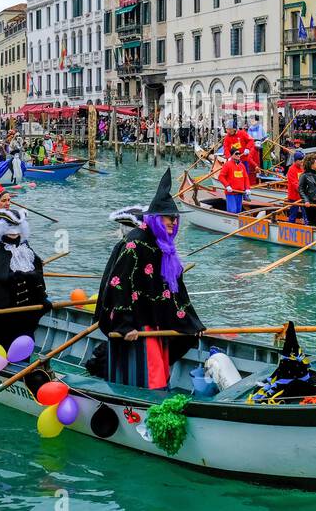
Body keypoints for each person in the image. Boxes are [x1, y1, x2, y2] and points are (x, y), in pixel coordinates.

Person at [95, 170, 205, 389]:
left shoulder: (165, 247)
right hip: (137, 323)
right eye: (168, 218)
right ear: (155, 218)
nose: (173, 222)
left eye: (175, 218)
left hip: (157, 320)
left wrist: (192, 322)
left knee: (162, 365)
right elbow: (119, 284)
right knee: (152, 373)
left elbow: (175, 289)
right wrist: (125, 325)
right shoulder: (134, 245)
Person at [0, 207, 51, 352]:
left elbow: (37, 270)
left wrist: (42, 297)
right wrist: (21, 275)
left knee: (24, 337)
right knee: (3, 340)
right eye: (9, 227)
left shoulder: (24, 245)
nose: (13, 232)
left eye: (17, 227)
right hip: (4, 307)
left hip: (27, 309)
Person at [217, 145, 250, 213]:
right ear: (232, 155)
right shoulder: (227, 165)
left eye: (239, 153)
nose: (238, 155)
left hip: (240, 193)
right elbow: (221, 177)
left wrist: (247, 188)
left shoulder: (242, 166)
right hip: (231, 193)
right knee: (232, 211)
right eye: (236, 154)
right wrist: (227, 186)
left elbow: (246, 178)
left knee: (238, 210)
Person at [297, 153, 316, 227]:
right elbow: (301, 189)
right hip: (309, 202)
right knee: (311, 221)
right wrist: (306, 200)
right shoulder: (304, 175)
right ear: (311, 164)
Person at [285, 149, 306, 222]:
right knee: (293, 214)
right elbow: (295, 184)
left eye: (302, 159)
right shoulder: (291, 170)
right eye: (300, 160)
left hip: (302, 196)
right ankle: (291, 226)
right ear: (295, 160)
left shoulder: (302, 168)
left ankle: (307, 225)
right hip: (294, 197)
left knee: (306, 214)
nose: (301, 161)